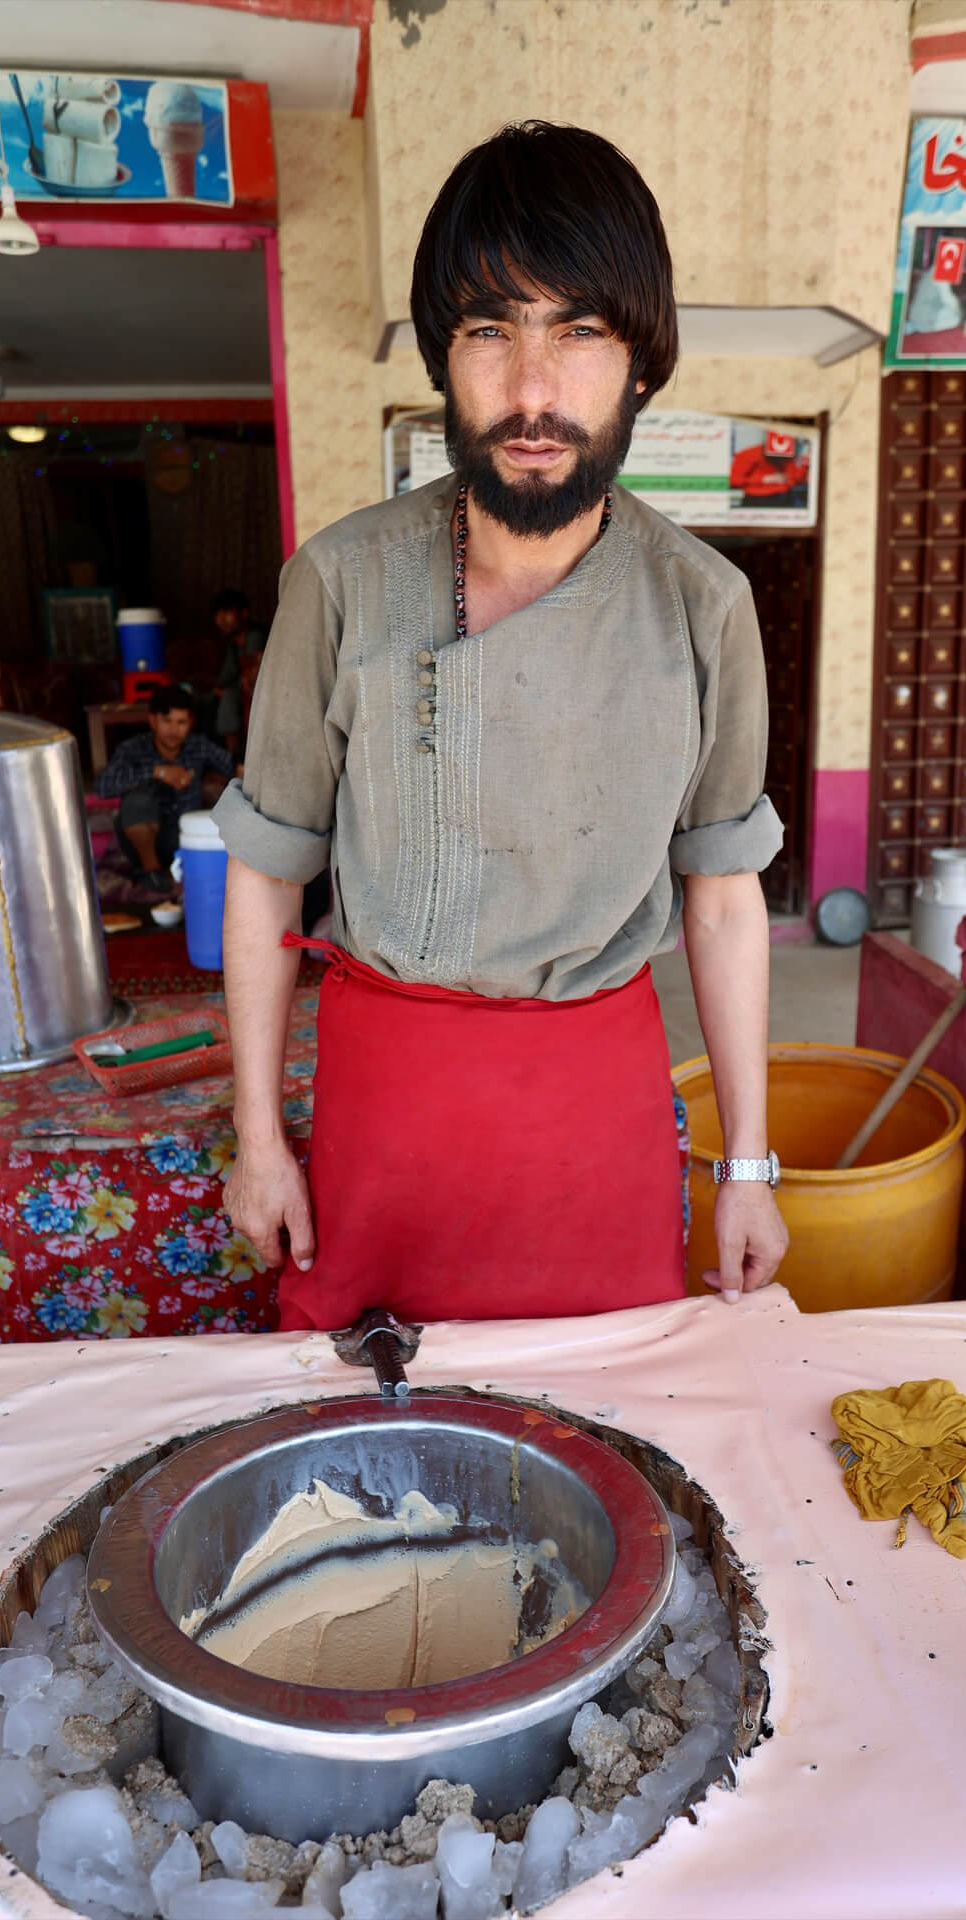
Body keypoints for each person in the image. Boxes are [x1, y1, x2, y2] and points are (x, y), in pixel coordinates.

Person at [213, 120, 789, 1332]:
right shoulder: (338, 583)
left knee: (603, 1440)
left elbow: (724, 899)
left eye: (578, 330)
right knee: (361, 1448)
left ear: (641, 361)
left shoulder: (702, 609)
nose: (532, 391)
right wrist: (259, 1139)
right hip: (385, 1101)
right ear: (442, 356)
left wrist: (746, 1164)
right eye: (490, 330)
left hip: (594, 1107)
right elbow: (266, 877)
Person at [96, 684, 236, 896]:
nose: (173, 730)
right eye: (167, 721)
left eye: (181, 722)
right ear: (153, 721)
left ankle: (170, 873)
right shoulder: (133, 748)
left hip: (183, 840)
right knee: (137, 801)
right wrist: (158, 772)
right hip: (139, 843)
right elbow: (102, 786)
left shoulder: (198, 746)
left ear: (191, 723)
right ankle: (151, 871)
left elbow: (231, 766)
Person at [210, 588, 265, 756]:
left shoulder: (255, 636)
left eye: (227, 612)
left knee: (229, 697)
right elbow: (225, 678)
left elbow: (252, 677)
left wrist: (225, 690)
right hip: (244, 694)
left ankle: (234, 758)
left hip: (262, 695)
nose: (221, 619)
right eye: (218, 614)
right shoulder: (233, 645)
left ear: (244, 613)